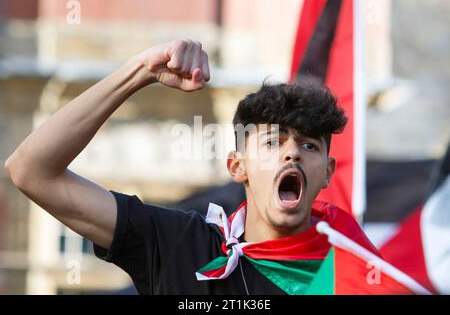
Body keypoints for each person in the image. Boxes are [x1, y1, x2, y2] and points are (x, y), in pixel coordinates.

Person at [5, 39, 379, 294]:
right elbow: (31, 170)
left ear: (328, 171)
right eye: (272, 142)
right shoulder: (182, 245)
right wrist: (140, 71)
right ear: (238, 166)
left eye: (308, 145)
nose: (292, 154)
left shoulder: (356, 276)